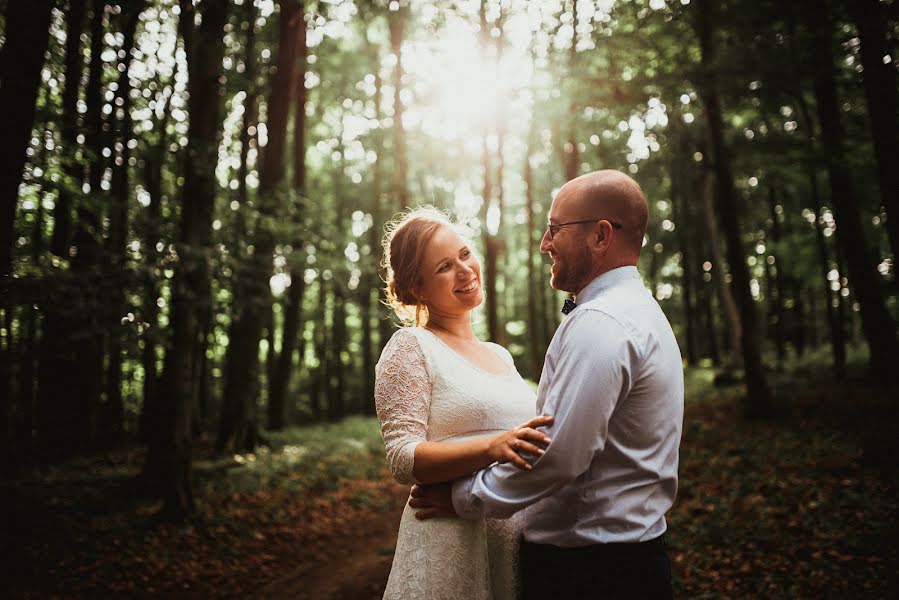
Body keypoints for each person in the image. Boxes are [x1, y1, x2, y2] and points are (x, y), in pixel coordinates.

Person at [409, 170, 684, 599]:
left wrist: (463, 498)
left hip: (589, 574)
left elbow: (558, 456)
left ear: (600, 235)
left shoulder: (601, 323)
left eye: (555, 229)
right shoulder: (640, 311)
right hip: (624, 563)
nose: (544, 243)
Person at [374, 207, 553, 600]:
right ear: (417, 288)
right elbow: (402, 458)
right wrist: (492, 447)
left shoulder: (500, 355)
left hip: (511, 536)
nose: (465, 270)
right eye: (443, 267)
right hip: (450, 542)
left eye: (465, 254)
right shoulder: (411, 346)